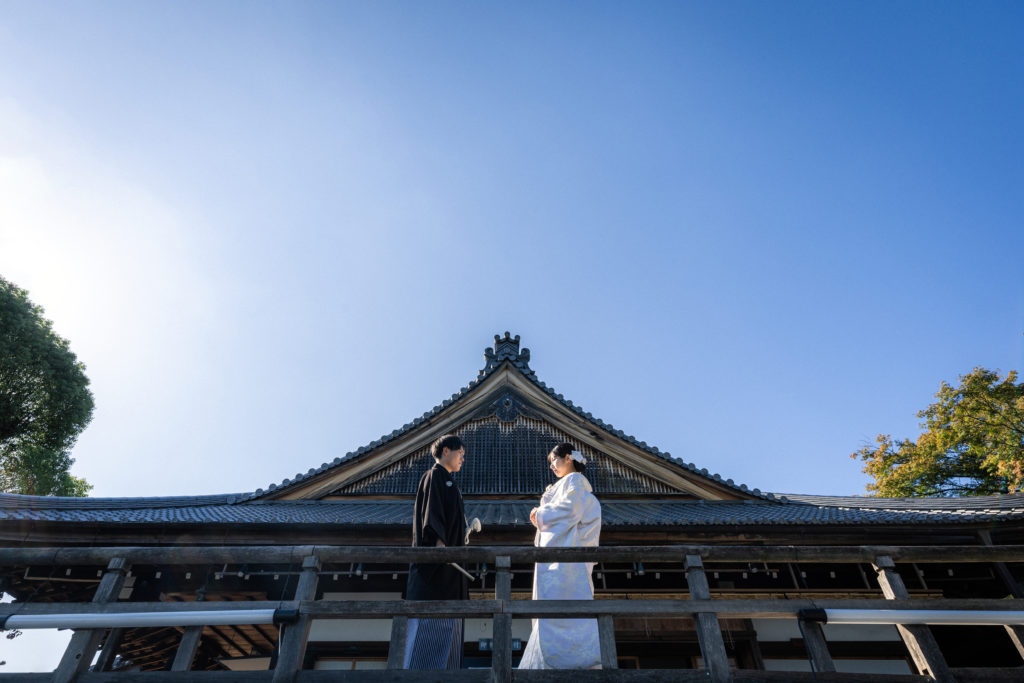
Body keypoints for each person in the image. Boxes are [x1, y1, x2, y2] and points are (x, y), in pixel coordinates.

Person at [518, 442, 602, 670]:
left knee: (560, 605)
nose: (552, 466)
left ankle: (562, 659)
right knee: (565, 607)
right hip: (563, 554)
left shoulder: (574, 482)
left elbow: (570, 510)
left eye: (554, 460)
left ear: (568, 458)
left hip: (566, 561)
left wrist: (540, 513)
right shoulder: (571, 484)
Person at [403, 434, 468, 670]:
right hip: (437, 569)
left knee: (451, 634)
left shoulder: (450, 481)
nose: (463, 458)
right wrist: (440, 545)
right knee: (429, 631)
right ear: (446, 451)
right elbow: (432, 515)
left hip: (450, 569)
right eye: (460, 453)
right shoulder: (434, 476)